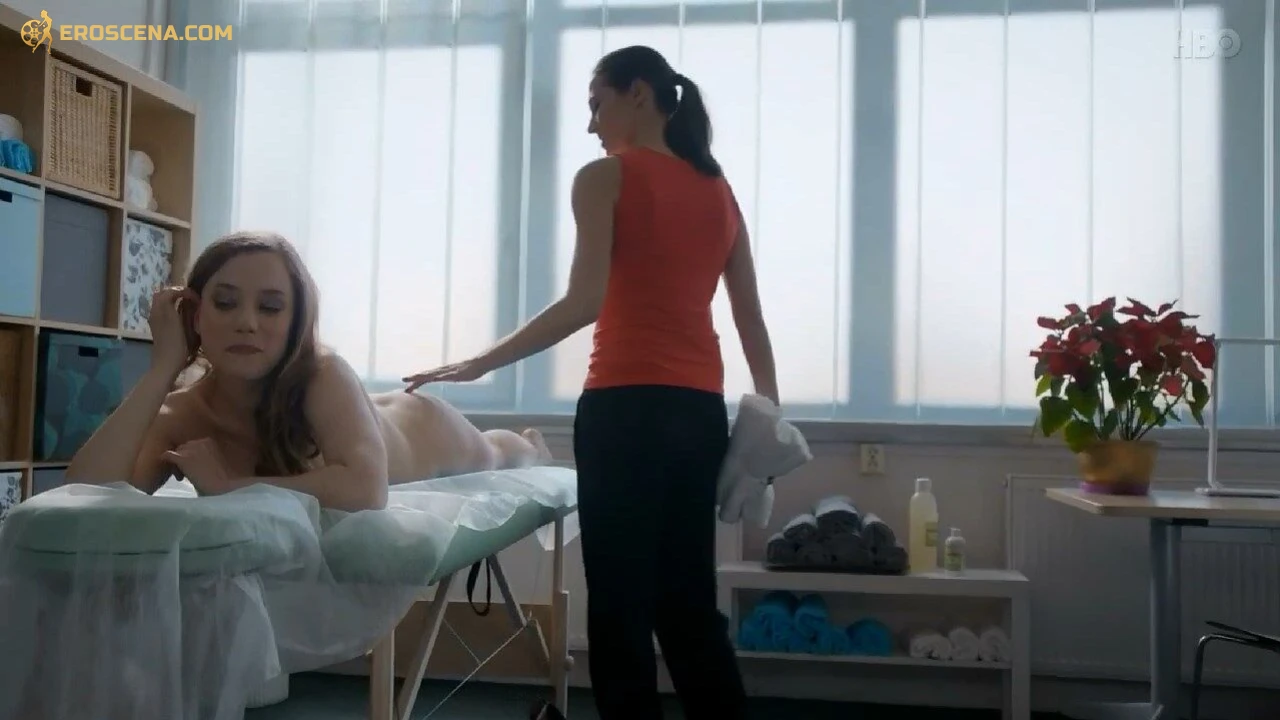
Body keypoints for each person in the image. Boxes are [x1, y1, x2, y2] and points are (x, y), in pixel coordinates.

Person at [402, 45, 778, 719]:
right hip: (698, 414)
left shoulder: (606, 177)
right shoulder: (718, 191)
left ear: (639, 94)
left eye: (597, 104)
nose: (591, 124)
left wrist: (479, 362)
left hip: (626, 411)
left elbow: (584, 301)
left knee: (619, 604)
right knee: (688, 602)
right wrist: (769, 412)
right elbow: (749, 317)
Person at [64, 231, 552, 512]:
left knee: (498, 452)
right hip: (364, 420)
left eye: (271, 307)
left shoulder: (323, 373)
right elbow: (83, 494)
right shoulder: (180, 413)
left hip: (421, 431)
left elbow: (367, 490)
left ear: (296, 320)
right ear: (195, 315)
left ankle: (529, 442)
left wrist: (232, 487)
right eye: (225, 303)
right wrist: (163, 369)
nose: (247, 322)